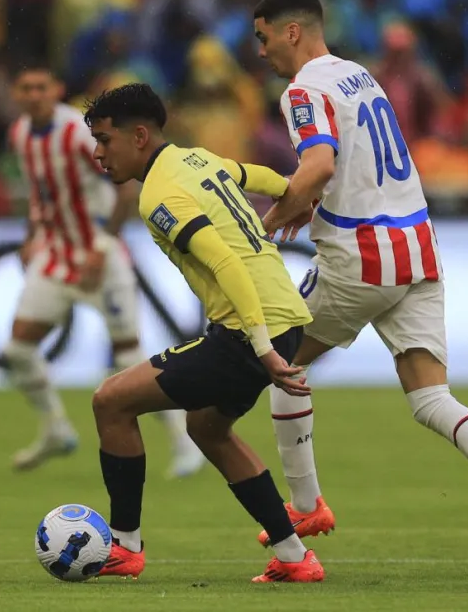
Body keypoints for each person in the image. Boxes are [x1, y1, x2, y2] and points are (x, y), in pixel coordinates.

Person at [251, 0, 468, 570]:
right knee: (430, 396)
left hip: (359, 256)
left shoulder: (303, 89)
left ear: (291, 31)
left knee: (275, 358)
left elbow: (318, 165)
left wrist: (278, 213)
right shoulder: (359, 75)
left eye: (262, 38)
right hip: (417, 249)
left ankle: (306, 505)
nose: (259, 52)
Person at [83, 83, 325, 584]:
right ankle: (295, 557)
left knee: (111, 401)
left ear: (141, 136)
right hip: (286, 318)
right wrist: (291, 192)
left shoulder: (159, 194)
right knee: (207, 428)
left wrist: (261, 349)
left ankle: (125, 545)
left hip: (247, 331)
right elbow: (251, 174)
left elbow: (224, 260)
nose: (98, 152)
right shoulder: (197, 160)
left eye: (106, 140)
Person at [5, 62, 203, 477]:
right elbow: (41, 194)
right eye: (26, 87)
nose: (34, 94)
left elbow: (124, 188)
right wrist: (31, 235)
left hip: (102, 254)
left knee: (129, 355)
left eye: (41, 86)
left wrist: (102, 244)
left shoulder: (77, 133)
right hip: (57, 255)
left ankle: (185, 442)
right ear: (16, 94)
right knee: (18, 348)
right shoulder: (20, 134)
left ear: (56, 89)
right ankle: (56, 427)